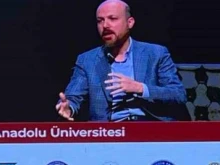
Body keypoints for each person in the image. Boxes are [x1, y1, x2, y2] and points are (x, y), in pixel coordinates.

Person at [56, 0, 186, 122]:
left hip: (150, 127)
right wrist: (68, 107)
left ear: (130, 23)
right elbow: (73, 97)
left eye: (112, 19)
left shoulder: (156, 53)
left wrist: (140, 88)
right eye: (100, 21)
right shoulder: (87, 60)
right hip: (110, 131)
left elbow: (178, 94)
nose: (105, 25)